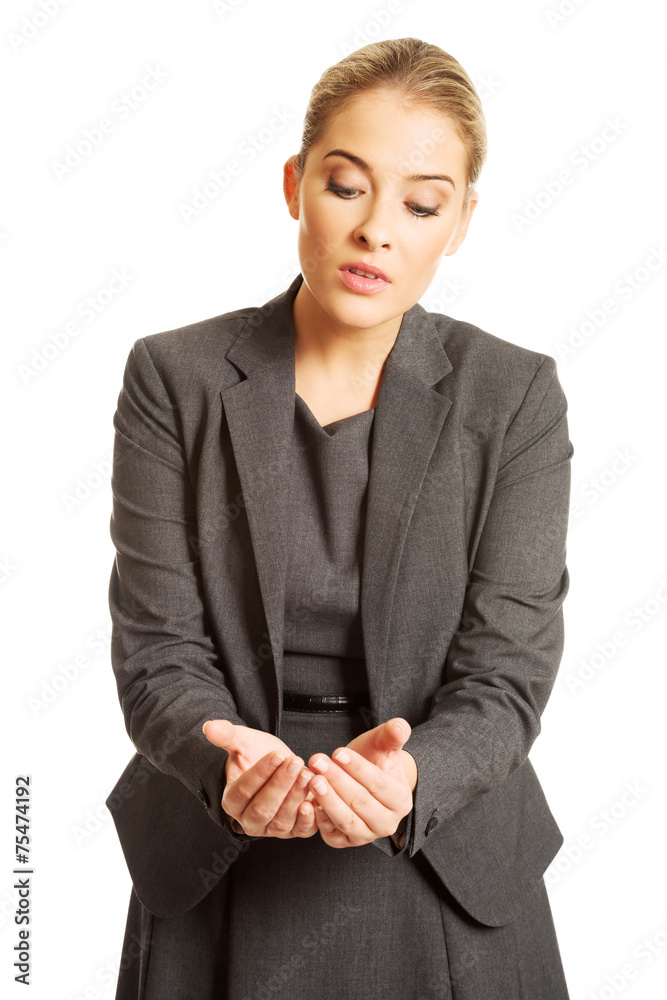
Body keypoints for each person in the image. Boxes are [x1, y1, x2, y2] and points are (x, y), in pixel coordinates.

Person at [106, 36, 573, 999]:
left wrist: (411, 779)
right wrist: (222, 760)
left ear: (461, 222)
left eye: (421, 205)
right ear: (295, 185)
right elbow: (157, 650)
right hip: (220, 838)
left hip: (441, 852)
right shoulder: (172, 378)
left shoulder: (514, 396)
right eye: (346, 186)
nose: (376, 232)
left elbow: (507, 670)